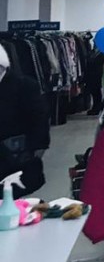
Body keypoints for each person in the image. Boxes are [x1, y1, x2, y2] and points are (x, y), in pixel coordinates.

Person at [0, 46, 49, 194]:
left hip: (15, 157)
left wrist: (35, 151)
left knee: (12, 198)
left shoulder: (24, 86)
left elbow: (39, 120)